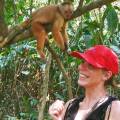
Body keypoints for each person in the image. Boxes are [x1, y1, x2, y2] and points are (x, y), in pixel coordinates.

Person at [48, 45, 120, 120]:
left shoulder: (114, 108)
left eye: (91, 65)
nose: (80, 67)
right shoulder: (70, 105)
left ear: (106, 75)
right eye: (83, 62)